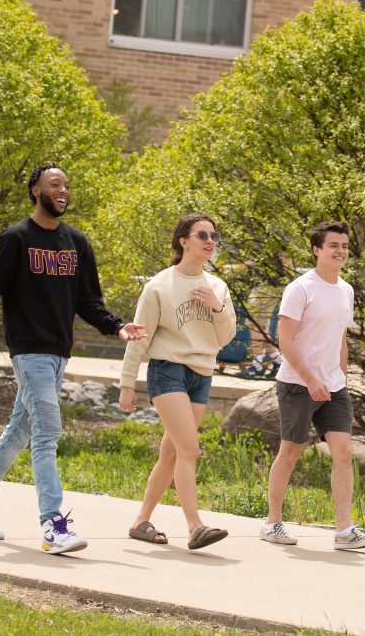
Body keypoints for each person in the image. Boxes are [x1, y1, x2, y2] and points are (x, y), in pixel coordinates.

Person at [0, 163, 146, 554]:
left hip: (59, 353)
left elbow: (88, 301)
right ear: (35, 190)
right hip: (29, 351)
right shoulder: (16, 239)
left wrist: (116, 327)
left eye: (67, 186)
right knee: (47, 433)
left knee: (20, 430)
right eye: (55, 184)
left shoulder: (76, 242)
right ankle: (53, 525)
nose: (63, 190)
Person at [260, 220, 365, 551]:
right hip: (298, 385)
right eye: (333, 246)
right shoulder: (300, 288)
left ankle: (345, 531)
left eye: (344, 246)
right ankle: (272, 523)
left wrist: (339, 377)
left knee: (343, 453)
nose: (341, 251)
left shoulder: (346, 290)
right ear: (317, 250)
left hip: (333, 388)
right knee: (291, 452)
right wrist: (312, 379)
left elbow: (340, 337)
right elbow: (285, 341)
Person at [118, 214, 237, 550]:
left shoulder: (218, 288)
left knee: (171, 453)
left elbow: (226, 336)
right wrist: (127, 383)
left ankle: (141, 521)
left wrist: (216, 307)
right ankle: (195, 525)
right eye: (202, 235)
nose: (210, 241)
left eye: (214, 235)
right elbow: (139, 338)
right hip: (168, 369)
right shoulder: (159, 285)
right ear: (184, 240)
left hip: (201, 374)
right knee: (189, 448)